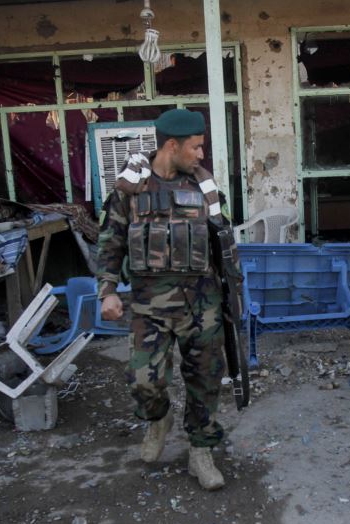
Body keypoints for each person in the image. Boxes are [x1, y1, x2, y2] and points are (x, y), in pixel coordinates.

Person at [96, 108, 236, 491]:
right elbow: (111, 242)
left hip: (200, 304)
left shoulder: (206, 190)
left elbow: (225, 246)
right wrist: (107, 291)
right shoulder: (131, 190)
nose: (201, 154)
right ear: (171, 146)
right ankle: (160, 419)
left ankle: (200, 450)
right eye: (196, 147)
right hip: (149, 305)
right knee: (144, 381)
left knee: (205, 380)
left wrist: (231, 299)